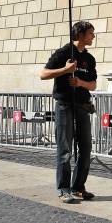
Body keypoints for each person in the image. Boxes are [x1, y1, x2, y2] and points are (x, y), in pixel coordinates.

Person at [39, 21, 97, 204]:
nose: (93, 37)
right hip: (64, 105)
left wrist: (80, 82)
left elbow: (93, 85)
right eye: (90, 33)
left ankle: (78, 187)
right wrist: (65, 70)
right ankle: (64, 189)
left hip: (82, 105)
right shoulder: (63, 52)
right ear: (80, 34)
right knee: (65, 149)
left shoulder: (89, 58)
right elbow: (43, 74)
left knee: (86, 148)